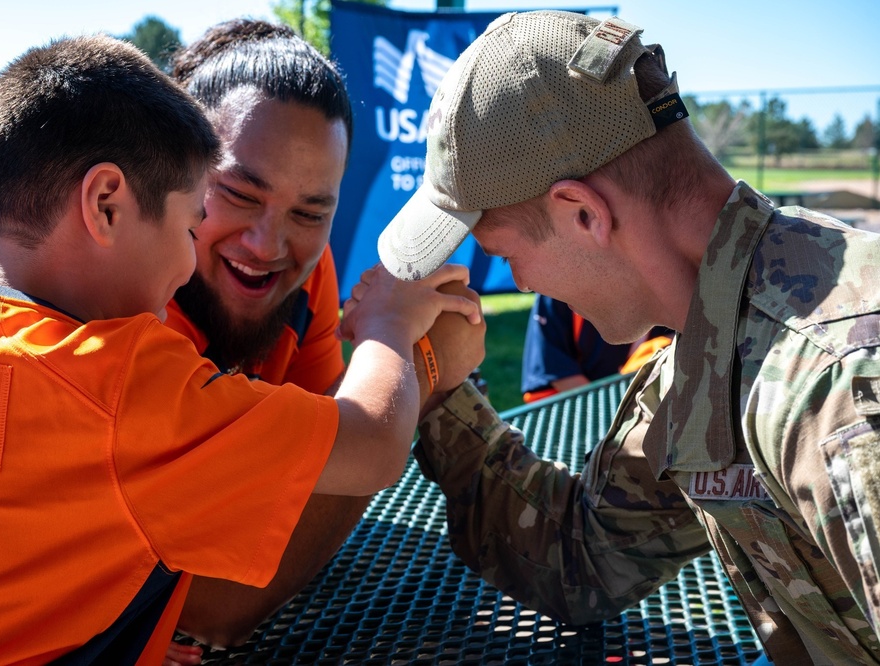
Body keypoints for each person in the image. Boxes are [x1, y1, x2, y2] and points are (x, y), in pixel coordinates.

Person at [0, 34, 483, 664]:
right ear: (106, 205)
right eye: (198, 215)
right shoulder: (116, 377)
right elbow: (368, 444)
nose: (266, 244)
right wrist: (401, 339)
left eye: (309, 214)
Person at [368, 9, 880, 663]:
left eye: (502, 251)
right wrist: (442, 390)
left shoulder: (839, 386)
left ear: (583, 213)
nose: (518, 282)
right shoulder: (714, 356)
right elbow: (582, 555)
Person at [154, 19, 478, 663]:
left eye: (310, 213)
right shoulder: (122, 311)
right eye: (240, 194)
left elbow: (318, 458)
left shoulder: (310, 273)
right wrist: (418, 361)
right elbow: (214, 605)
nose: (268, 246)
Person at [521, 294, 671, 402]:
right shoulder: (554, 291)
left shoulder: (666, 288)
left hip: (650, 404)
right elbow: (559, 373)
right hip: (579, 405)